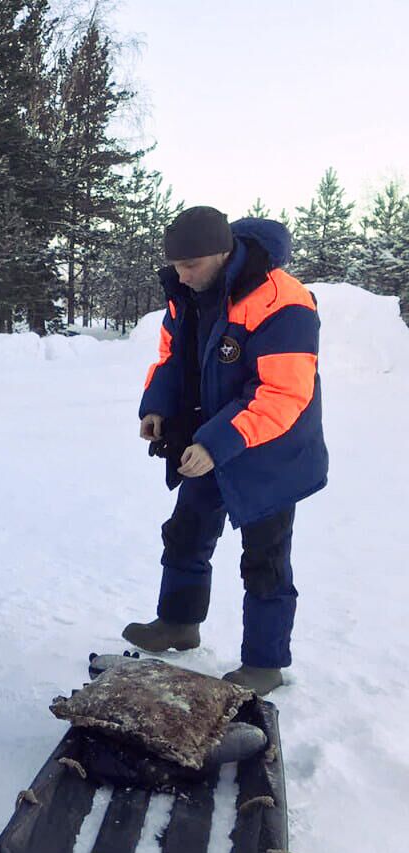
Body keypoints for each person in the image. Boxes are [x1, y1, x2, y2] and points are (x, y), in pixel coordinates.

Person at [123, 206, 328, 696]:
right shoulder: (185, 293)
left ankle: (265, 663)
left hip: (269, 452)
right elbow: (173, 357)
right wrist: (159, 408)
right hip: (208, 440)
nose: (181, 274)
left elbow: (282, 394)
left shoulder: (284, 300)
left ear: (221, 254)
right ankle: (178, 624)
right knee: (186, 533)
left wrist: (218, 444)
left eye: (190, 265)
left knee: (265, 559)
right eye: (175, 265)